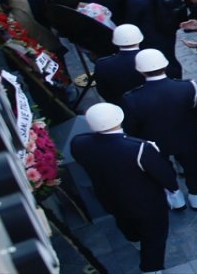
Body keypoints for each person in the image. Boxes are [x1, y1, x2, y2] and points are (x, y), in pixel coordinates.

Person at [70, 103, 179, 273]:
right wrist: (172, 187)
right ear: (119, 119)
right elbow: (164, 174)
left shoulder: (79, 142)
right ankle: (151, 268)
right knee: (155, 236)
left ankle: (134, 240)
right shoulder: (139, 148)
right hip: (146, 203)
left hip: (108, 196)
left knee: (124, 221)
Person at [121, 49, 197, 211]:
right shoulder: (189, 86)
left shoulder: (131, 98)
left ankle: (176, 199)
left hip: (155, 141)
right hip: (188, 136)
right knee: (194, 167)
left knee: (163, 170)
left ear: (140, 70)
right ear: (166, 65)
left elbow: (132, 126)